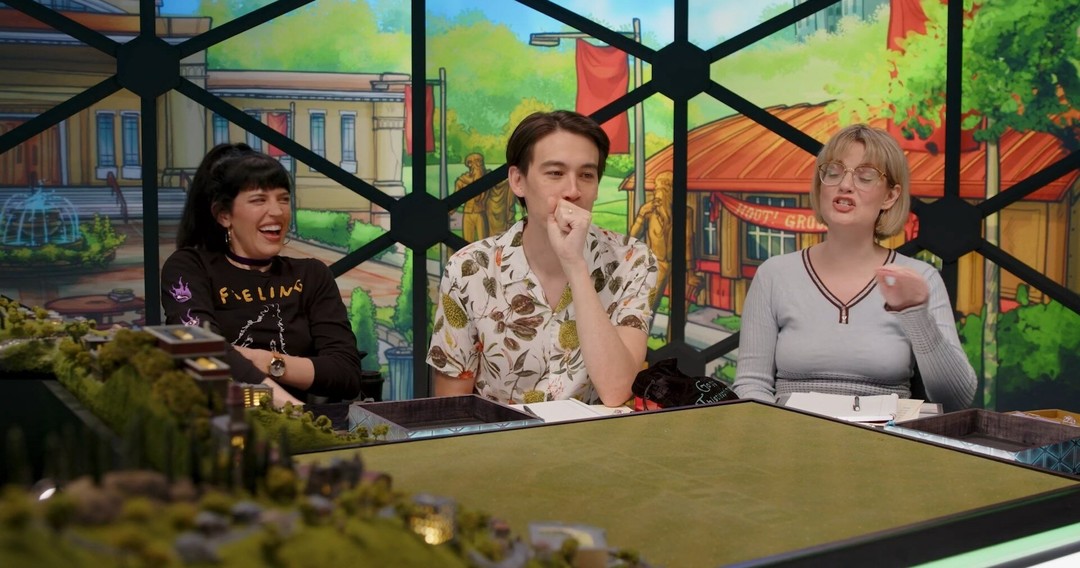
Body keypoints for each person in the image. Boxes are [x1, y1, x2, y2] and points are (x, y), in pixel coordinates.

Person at [732, 124, 976, 412]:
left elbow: (956, 399)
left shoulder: (921, 277)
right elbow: (751, 385)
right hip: (790, 433)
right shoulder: (774, 275)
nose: (845, 185)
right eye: (834, 172)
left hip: (886, 436)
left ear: (890, 196)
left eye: (866, 176)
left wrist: (915, 314)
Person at [427, 110, 659, 406]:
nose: (573, 191)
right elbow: (452, 408)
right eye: (555, 173)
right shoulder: (470, 269)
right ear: (518, 181)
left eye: (586, 175)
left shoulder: (632, 260)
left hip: (596, 435)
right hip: (501, 434)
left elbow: (617, 390)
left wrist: (575, 264)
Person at [161, 143, 363, 405]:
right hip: (222, 421)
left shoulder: (312, 275)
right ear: (224, 215)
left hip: (302, 425)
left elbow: (346, 373)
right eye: (259, 200)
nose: (277, 211)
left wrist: (263, 360)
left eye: (283, 199)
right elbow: (202, 350)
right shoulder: (189, 267)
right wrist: (291, 408)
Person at [455, 153, 489, 241]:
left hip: (480, 212)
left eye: (479, 161)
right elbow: (455, 200)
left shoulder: (487, 178)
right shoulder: (462, 180)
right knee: (467, 243)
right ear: (469, 164)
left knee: (484, 242)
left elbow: (479, 196)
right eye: (473, 162)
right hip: (467, 213)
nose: (477, 164)